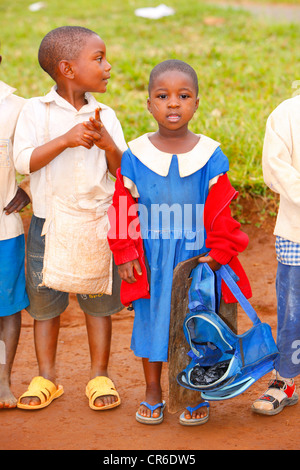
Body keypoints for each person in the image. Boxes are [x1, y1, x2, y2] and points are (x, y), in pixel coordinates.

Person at [108, 59, 251, 425]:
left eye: (183, 96)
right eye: (163, 95)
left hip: (196, 258)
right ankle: (153, 390)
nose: (173, 103)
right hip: (152, 257)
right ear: (149, 104)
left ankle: (193, 391)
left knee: (197, 322)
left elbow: (222, 211)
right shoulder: (135, 156)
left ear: (196, 103)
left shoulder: (209, 155)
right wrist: (124, 252)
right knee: (152, 320)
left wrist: (220, 252)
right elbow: (122, 206)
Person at [13, 26, 127, 410]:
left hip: (96, 225)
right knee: (45, 307)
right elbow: (22, 161)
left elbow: (123, 173)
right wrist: (66, 138)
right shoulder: (36, 110)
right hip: (48, 224)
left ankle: (99, 376)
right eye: (98, 59)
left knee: (98, 305)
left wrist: (107, 142)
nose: (108, 66)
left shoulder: (106, 114)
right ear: (67, 68)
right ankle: (46, 377)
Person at [252, 94, 300, 415]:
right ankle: (286, 379)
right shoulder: (287, 115)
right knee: (293, 310)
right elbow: (274, 169)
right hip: (297, 232)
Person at [0, 50, 31, 408]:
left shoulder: (17, 108)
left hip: (3, 230)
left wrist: (30, 188)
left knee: (6, 308)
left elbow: (39, 154)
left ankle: (3, 381)